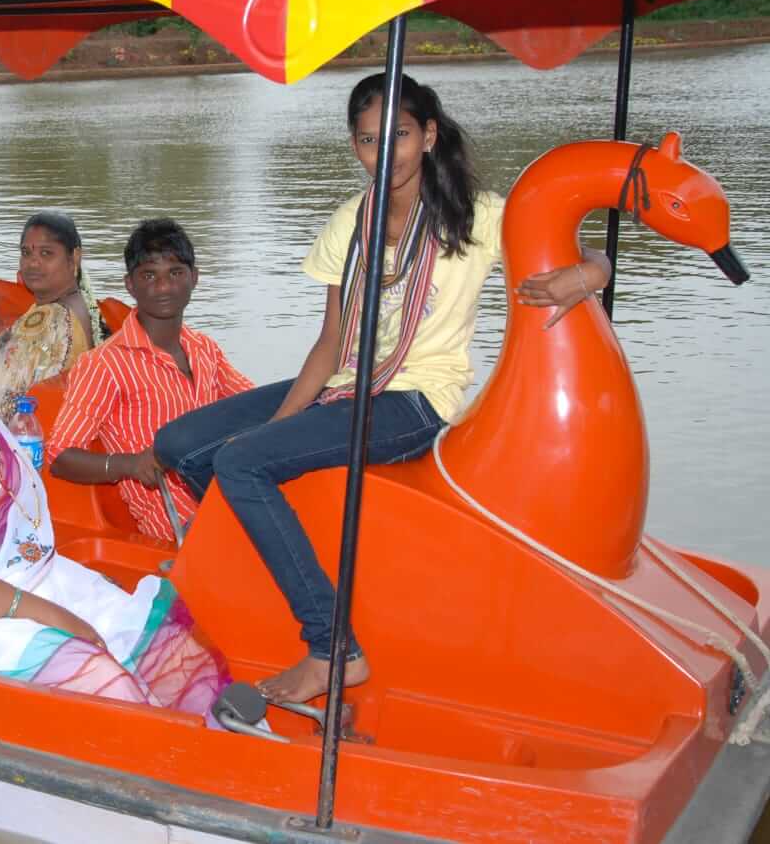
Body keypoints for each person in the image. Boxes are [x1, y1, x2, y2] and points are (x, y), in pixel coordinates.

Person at [154, 73, 612, 706]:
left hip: (417, 399)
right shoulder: (351, 222)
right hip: (348, 380)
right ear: (355, 146)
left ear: (428, 136)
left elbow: (588, 252)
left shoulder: (480, 215)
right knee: (180, 444)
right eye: (369, 140)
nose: (385, 152)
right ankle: (265, 553)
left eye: (399, 135)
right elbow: (330, 342)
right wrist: (281, 424)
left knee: (239, 462)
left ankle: (332, 649)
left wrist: (586, 276)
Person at [0, 282, 233, 722]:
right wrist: (53, 616)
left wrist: (55, 602)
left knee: (168, 644)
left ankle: (216, 742)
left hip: (20, 580)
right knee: (102, 681)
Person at [45, 220, 254, 543]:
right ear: (130, 285)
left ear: (194, 277)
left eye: (175, 273)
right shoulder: (104, 364)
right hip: (177, 524)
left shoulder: (204, 349)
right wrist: (131, 464)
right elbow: (59, 457)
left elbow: (256, 407)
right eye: (149, 276)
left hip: (227, 498)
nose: (164, 287)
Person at [0, 211, 104, 421]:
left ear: (75, 257)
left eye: (46, 253)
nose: (33, 263)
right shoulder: (77, 305)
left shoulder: (50, 317)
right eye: (26, 253)